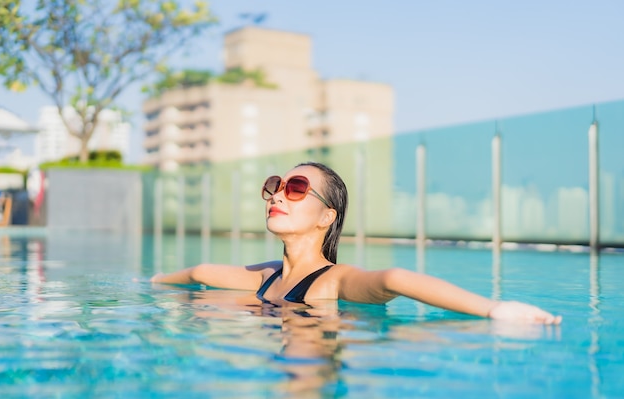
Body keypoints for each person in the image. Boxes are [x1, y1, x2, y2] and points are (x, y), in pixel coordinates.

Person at [152, 162, 562, 324]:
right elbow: (200, 272)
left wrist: (495, 309)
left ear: (327, 217)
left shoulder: (334, 282)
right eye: (276, 186)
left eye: (296, 189)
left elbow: (397, 279)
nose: (278, 195)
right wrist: (152, 283)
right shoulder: (267, 275)